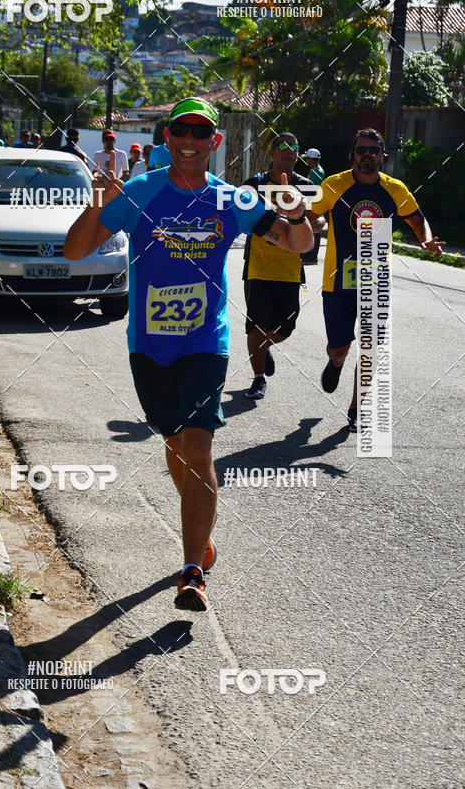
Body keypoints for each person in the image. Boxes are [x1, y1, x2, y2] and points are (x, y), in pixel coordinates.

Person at [63, 97, 314, 612]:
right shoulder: (140, 191)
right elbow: (75, 250)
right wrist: (96, 203)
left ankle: (192, 571)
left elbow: (298, 243)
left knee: (199, 448)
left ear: (214, 142)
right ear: (168, 138)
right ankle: (202, 531)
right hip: (149, 344)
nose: (190, 141)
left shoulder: (231, 199)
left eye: (201, 133)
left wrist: (298, 212)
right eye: (182, 131)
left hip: (206, 341)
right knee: (176, 443)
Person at [310, 128, 445, 429]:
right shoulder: (334, 185)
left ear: (382, 156)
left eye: (373, 150)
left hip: (376, 281)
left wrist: (425, 239)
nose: (367, 155)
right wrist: (313, 224)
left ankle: (356, 408)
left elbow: (416, 218)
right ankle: (336, 361)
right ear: (353, 155)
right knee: (339, 347)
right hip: (337, 282)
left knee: (371, 347)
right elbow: (311, 215)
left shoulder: (394, 189)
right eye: (361, 150)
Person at [242, 132, 324, 400]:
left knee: (285, 328)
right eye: (284, 146)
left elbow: (319, 220)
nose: (289, 151)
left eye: (295, 147)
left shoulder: (306, 185)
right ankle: (258, 378)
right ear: (272, 152)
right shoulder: (254, 184)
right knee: (256, 325)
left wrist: (312, 224)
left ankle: (264, 346)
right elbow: (241, 216)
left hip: (290, 269)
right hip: (258, 267)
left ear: (298, 155)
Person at [301, 148, 325, 264]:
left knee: (313, 227)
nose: (306, 161)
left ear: (312, 159)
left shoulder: (315, 172)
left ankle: (311, 256)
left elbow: (311, 189)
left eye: (308, 159)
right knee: (313, 227)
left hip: (314, 202)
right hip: (315, 201)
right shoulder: (318, 170)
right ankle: (311, 255)